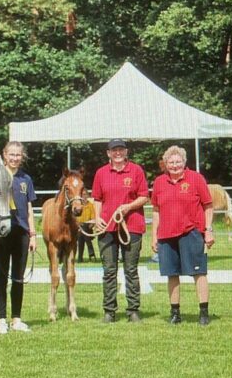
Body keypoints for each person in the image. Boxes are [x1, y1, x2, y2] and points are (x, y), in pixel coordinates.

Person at [150, 145, 214, 326]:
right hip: (166, 235)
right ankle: (175, 312)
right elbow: (156, 210)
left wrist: (208, 230)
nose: (175, 165)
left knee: (199, 273)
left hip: (191, 233)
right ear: (166, 164)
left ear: (184, 162)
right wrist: (154, 236)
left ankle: (203, 311)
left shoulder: (196, 179)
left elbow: (208, 206)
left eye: (178, 162)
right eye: (171, 162)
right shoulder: (159, 182)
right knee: (172, 274)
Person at [90, 139, 149, 323]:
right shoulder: (101, 173)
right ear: (108, 153)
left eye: (121, 150)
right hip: (107, 228)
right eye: (114, 150)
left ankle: (133, 310)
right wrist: (97, 218)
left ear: (126, 152)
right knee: (109, 270)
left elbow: (144, 196)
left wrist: (128, 207)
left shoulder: (136, 170)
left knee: (130, 269)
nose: (117, 153)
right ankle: (109, 310)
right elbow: (97, 199)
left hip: (131, 226)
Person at [0, 141, 38, 334]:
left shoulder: (25, 179)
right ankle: (1, 319)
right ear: (4, 155)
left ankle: (16, 319)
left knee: (18, 278)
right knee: (1, 276)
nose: (14, 158)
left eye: (18, 155)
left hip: (21, 232)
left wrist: (33, 234)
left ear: (22, 156)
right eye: (11, 154)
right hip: (2, 232)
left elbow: (29, 208)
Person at [75, 189, 98, 263]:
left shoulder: (91, 205)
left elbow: (93, 218)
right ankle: (91, 255)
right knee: (81, 234)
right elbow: (75, 218)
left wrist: (90, 225)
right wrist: (78, 226)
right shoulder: (78, 206)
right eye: (83, 195)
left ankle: (80, 257)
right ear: (80, 196)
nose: (84, 196)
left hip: (88, 227)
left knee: (83, 231)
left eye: (86, 195)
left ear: (88, 196)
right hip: (79, 227)